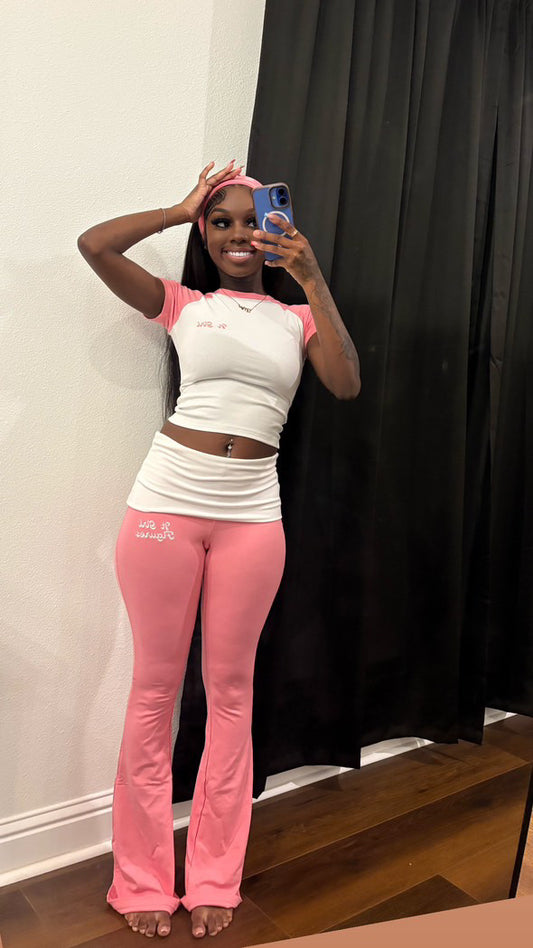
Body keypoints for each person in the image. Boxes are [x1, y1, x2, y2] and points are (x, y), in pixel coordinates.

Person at [77, 160, 360, 940]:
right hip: (165, 510)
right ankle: (140, 878)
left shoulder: (295, 316)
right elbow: (95, 246)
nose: (238, 234)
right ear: (206, 233)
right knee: (153, 694)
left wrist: (312, 279)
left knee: (231, 696)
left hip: (251, 517)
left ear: (277, 231)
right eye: (221, 221)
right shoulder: (183, 304)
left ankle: (212, 877)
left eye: (252, 221)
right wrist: (179, 208)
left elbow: (344, 383)